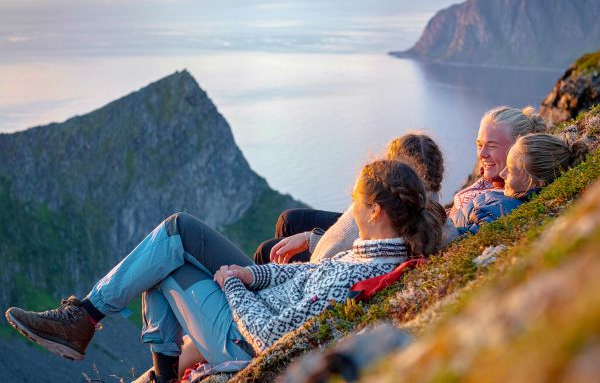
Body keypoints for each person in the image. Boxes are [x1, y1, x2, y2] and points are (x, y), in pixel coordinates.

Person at [5, 160, 445, 383]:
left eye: (354, 200)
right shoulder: (371, 255)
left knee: (164, 258)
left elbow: (272, 338)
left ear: (373, 210)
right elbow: (303, 279)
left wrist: (234, 286)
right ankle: (88, 319)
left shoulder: (359, 270)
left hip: (244, 339)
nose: (349, 206)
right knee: (175, 235)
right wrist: (255, 276)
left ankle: (87, 321)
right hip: (254, 303)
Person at [254, 133, 448, 265]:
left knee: (268, 249)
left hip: (326, 265)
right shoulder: (435, 219)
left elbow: (326, 256)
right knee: (289, 220)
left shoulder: (373, 217)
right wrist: (309, 238)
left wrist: (310, 241)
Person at [454, 133, 589, 234]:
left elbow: (456, 240)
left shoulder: (503, 210)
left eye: (511, 170)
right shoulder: (508, 197)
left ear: (536, 183)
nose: (502, 174)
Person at [448, 106, 546, 227]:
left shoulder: (502, 202)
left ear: (518, 148)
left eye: (492, 146)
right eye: (479, 145)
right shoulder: (488, 185)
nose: (482, 154)